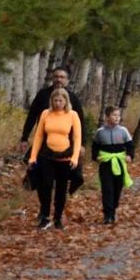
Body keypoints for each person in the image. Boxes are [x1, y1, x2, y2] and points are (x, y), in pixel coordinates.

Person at [29, 88, 81, 230]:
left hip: (65, 156)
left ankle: (57, 218)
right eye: (55, 100)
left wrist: (75, 157)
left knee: (61, 189)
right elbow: (39, 136)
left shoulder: (72, 115)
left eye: (61, 100)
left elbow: (77, 138)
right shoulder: (46, 114)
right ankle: (45, 216)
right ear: (51, 101)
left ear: (66, 101)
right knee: (45, 185)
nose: (58, 103)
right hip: (47, 155)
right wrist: (33, 156)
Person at [20, 67, 86, 159]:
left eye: (62, 77)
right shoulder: (42, 95)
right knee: (32, 165)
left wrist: (82, 144)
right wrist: (24, 138)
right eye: (56, 76)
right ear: (52, 78)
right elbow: (31, 116)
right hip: (44, 140)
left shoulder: (73, 98)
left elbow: (81, 122)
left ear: (67, 80)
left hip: (66, 143)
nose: (59, 79)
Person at [92, 105, 134, 225]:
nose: (117, 118)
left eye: (118, 115)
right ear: (107, 117)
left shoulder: (123, 131)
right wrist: (96, 157)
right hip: (106, 163)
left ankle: (113, 206)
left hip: (119, 162)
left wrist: (130, 155)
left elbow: (130, 145)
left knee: (117, 187)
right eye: (114, 115)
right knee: (107, 189)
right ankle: (108, 215)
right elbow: (95, 146)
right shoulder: (100, 132)